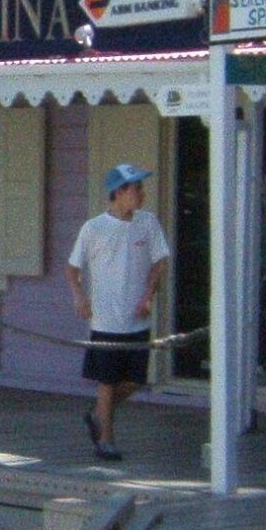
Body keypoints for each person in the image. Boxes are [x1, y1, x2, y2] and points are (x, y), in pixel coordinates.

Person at [67, 163, 171, 461]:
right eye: (136, 188)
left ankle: (99, 414)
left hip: (137, 318)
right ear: (120, 192)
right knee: (107, 380)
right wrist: (79, 297)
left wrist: (149, 293)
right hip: (106, 319)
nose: (142, 193)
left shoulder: (148, 223)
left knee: (136, 379)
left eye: (140, 187)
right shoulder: (94, 228)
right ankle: (106, 441)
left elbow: (159, 262)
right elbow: (73, 269)